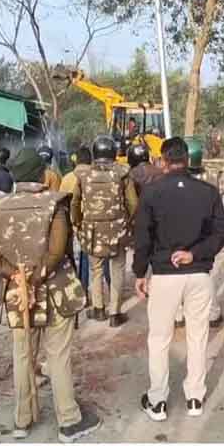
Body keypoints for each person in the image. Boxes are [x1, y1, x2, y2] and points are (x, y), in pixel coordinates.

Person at [0, 148, 102, 441]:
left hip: (17, 295)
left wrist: (15, 275)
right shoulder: (54, 204)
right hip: (55, 291)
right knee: (57, 356)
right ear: (41, 174)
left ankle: (22, 420)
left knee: (23, 355)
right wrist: (35, 276)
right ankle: (69, 420)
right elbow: (57, 252)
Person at [134, 137, 224, 422]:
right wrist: (195, 253)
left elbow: (143, 237)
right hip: (198, 274)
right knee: (198, 336)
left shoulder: (151, 193)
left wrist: (140, 273)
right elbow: (222, 231)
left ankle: (158, 401)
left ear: (163, 161)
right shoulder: (207, 191)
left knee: (159, 339)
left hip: (165, 275)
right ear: (187, 160)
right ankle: (195, 397)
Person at [72, 136, 138, 328]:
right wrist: (128, 221)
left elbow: (75, 202)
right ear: (113, 152)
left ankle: (99, 308)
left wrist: (78, 222)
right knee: (117, 269)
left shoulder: (83, 175)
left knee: (96, 270)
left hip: (92, 230)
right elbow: (133, 203)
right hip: (117, 229)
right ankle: (115, 312)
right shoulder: (122, 173)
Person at [176, 139, 224, 328]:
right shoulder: (211, 177)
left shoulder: (175, 179)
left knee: (177, 271)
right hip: (204, 233)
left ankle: (179, 314)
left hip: (179, 232)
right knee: (205, 274)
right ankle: (212, 313)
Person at [61, 147, 93, 291]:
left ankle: (81, 289)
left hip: (74, 224)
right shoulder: (96, 175)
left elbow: (62, 204)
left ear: (76, 160)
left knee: (79, 258)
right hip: (94, 222)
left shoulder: (67, 178)